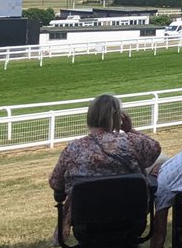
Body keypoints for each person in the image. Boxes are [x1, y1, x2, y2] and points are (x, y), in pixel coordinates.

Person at [48, 94, 161, 239]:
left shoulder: (73, 148)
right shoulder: (132, 143)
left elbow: (55, 183)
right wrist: (129, 130)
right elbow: (155, 149)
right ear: (117, 117)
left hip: (86, 225)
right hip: (130, 222)